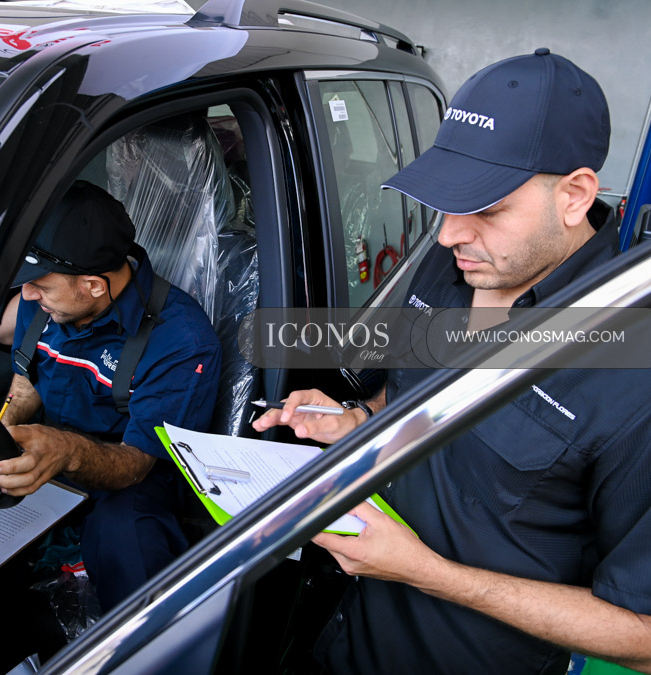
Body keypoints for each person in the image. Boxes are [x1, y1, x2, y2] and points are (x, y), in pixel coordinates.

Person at [254, 49, 651, 674]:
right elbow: (411, 396)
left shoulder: (632, 372)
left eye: (487, 208)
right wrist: (358, 420)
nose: (447, 235)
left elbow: (643, 634)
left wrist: (428, 574)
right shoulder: (451, 265)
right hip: (340, 632)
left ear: (574, 195)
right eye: (446, 201)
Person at [0, 180, 222, 611]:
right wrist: (4, 432)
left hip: (127, 473)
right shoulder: (43, 303)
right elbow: (25, 381)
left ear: (94, 285)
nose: (26, 295)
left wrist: (65, 452)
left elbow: (137, 462)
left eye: (39, 284)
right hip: (52, 447)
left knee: (127, 534)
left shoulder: (181, 341)